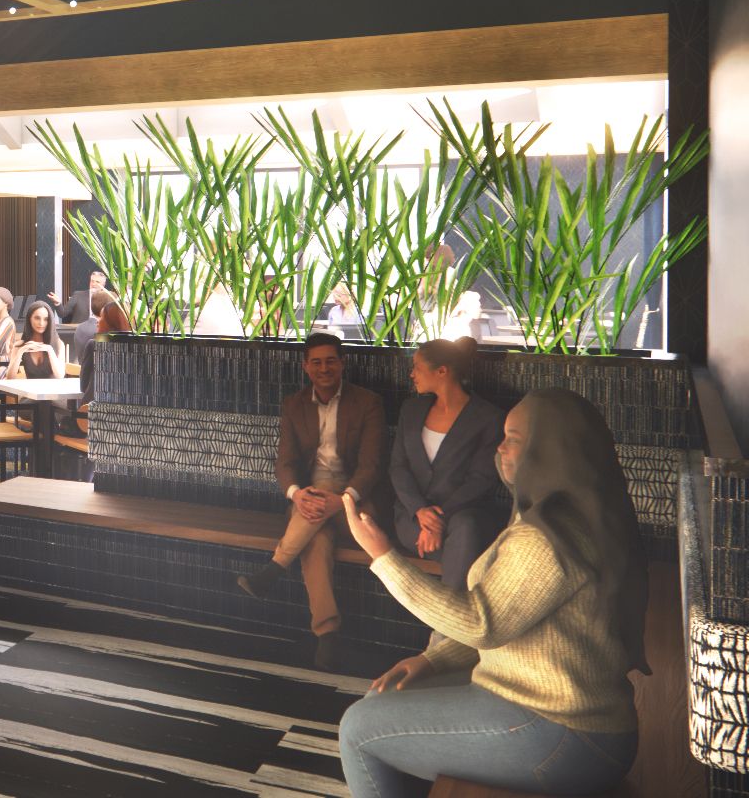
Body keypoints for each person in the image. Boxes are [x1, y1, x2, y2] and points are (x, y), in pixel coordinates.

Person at [337, 389, 647, 798]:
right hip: (569, 719)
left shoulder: (546, 538)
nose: (499, 448)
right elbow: (513, 619)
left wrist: (382, 555)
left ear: (549, 447)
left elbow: (483, 624)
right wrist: (432, 660)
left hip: (563, 734)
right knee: (381, 700)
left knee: (358, 729)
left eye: (513, 438)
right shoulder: (576, 512)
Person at [236, 333, 387, 671]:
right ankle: (328, 634)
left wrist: (344, 500)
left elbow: (371, 465)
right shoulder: (295, 404)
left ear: (342, 363)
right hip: (311, 500)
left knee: (319, 511)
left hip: (355, 501)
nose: (324, 368)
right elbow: (285, 463)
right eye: (316, 362)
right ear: (306, 367)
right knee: (315, 538)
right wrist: (296, 493)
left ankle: (273, 569)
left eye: (331, 360)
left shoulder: (367, 403)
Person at [390, 337, 507, 589]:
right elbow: (398, 468)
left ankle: (446, 622)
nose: (412, 374)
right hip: (412, 518)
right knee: (465, 550)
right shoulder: (410, 410)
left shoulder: (487, 417)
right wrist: (421, 512)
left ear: (442, 371)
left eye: (417, 367)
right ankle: (453, 621)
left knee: (466, 529)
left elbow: (481, 479)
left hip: (462, 514)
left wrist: (438, 520)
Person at [6, 299, 67, 379]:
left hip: (53, 391)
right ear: (29, 319)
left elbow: (60, 376)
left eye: (46, 319)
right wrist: (20, 352)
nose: (41, 323)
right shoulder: (19, 345)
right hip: (29, 391)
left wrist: (50, 350)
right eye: (37, 318)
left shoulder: (58, 344)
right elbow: (10, 378)